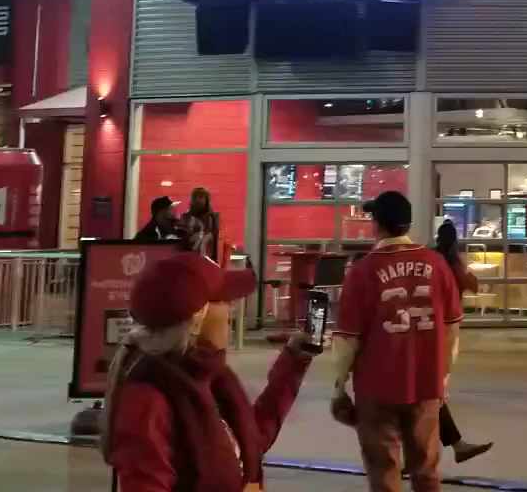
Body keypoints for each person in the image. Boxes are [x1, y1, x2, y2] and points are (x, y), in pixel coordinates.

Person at [102, 253, 317, 491]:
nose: (232, 310)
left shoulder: (211, 377)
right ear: (198, 317)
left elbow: (250, 442)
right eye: (224, 301)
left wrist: (293, 362)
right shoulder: (147, 401)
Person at [329, 190, 462, 492]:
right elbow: (452, 330)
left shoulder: (362, 271)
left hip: (377, 390)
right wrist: (443, 379)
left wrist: (338, 389)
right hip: (426, 385)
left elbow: (347, 340)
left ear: (377, 224)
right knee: (426, 471)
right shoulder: (437, 264)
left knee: (384, 471)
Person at [429, 220, 493, 468]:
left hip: (427, 325)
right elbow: (472, 285)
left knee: (430, 395)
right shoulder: (454, 262)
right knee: (432, 393)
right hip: (446, 327)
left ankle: (449, 448)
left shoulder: (431, 258)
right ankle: (443, 450)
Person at [183, 186, 222, 262]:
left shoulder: (214, 217)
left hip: (209, 257)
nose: (198, 200)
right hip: (191, 257)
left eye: (201, 197)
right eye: (195, 197)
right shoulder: (186, 217)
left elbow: (217, 238)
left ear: (206, 200)